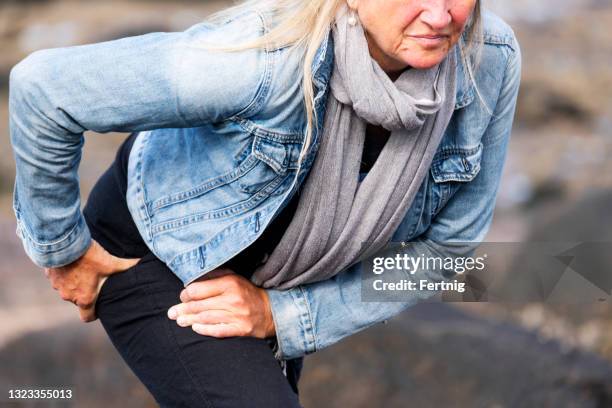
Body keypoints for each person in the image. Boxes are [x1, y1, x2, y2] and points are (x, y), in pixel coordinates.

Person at [8, 0, 521, 406]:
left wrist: (283, 315)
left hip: (283, 271)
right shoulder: (262, 59)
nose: (441, 16)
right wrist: (62, 250)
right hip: (157, 248)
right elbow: (43, 90)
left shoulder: (489, 59)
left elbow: (447, 249)